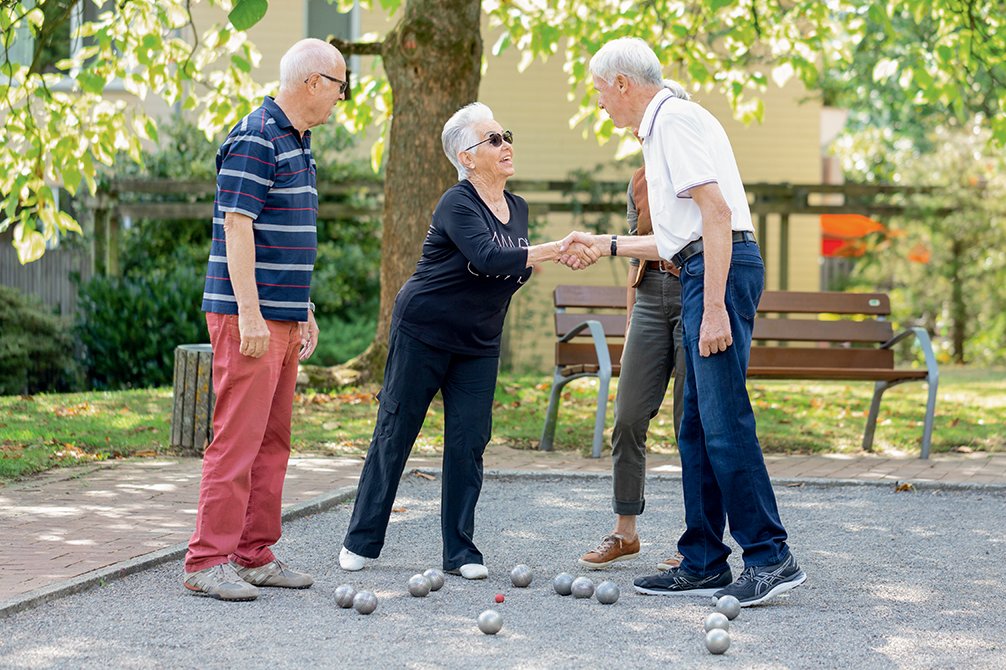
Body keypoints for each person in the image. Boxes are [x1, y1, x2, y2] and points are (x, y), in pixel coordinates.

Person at [563, 37, 806, 607]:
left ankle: (771, 556)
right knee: (695, 424)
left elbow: (717, 214)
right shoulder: (665, 125)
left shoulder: (671, 120)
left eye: (600, 93)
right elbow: (677, 234)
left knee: (722, 420)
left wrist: (715, 304)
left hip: (716, 272)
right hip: (702, 264)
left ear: (623, 83)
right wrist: (605, 244)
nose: (601, 106)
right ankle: (702, 560)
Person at [338, 103, 596, 579]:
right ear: (467, 156)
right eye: (493, 139)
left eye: (507, 135)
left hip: (479, 340)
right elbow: (489, 255)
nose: (506, 145)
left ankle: (460, 553)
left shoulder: (517, 207)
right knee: (396, 432)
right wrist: (553, 250)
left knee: (469, 441)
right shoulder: (455, 202)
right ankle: (362, 540)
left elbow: (510, 269)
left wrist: (551, 257)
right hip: (424, 330)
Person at [183, 38, 348, 601]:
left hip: (282, 317)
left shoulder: (298, 143)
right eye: (339, 86)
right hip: (245, 317)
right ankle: (205, 561)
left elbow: (286, 236)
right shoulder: (257, 135)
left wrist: (302, 309)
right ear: (313, 82)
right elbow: (238, 226)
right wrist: (251, 313)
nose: (340, 99)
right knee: (237, 440)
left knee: (273, 442)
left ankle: (253, 554)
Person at [578, 154, 686, 572]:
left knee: (688, 423)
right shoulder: (638, 180)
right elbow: (634, 256)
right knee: (626, 417)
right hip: (649, 295)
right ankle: (625, 532)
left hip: (690, 288)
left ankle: (697, 539)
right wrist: (629, 322)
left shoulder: (697, 168)